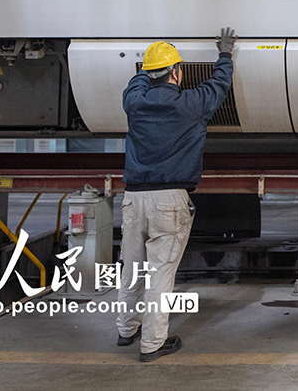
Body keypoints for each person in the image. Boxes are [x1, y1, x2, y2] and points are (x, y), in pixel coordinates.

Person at [116, 27, 237, 362]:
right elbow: (219, 85)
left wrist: (149, 66)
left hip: (133, 198)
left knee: (132, 268)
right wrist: (224, 53)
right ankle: (152, 344)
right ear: (176, 72)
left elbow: (138, 82)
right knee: (159, 274)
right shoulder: (191, 105)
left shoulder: (134, 102)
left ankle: (127, 330)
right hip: (168, 200)